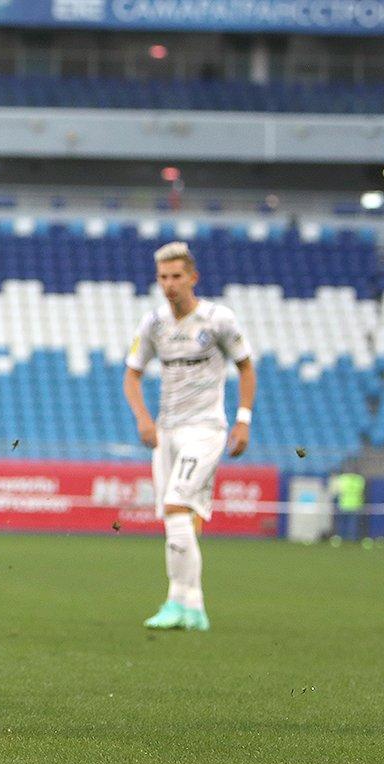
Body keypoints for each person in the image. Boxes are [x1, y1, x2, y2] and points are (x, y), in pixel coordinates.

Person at [123, 241, 256, 633]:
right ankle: (191, 606)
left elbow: (246, 367)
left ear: (193, 278)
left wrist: (243, 419)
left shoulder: (218, 320)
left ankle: (178, 602)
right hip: (166, 431)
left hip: (205, 429)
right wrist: (144, 419)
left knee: (178, 504)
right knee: (173, 516)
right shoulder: (154, 324)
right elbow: (132, 374)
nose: (169, 284)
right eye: (163, 277)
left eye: (176, 276)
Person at [328, 469, 366, 540]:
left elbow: (336, 490)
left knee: (343, 524)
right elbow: (362, 491)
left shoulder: (343, 478)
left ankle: (341, 538)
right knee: (352, 525)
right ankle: (351, 539)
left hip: (344, 504)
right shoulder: (359, 479)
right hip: (355, 505)